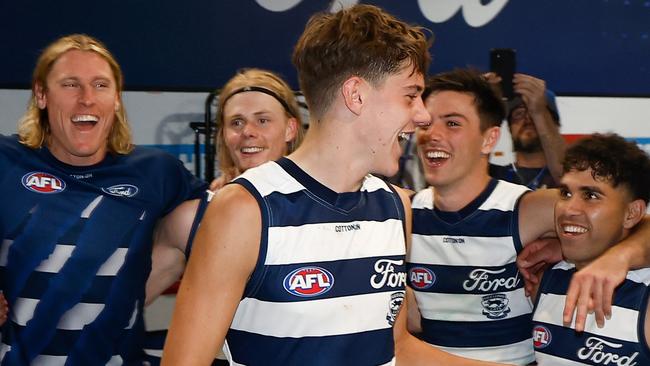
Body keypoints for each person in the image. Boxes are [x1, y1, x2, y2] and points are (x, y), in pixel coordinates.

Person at [163, 5, 504, 366]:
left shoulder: (392, 206)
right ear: (355, 95)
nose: (422, 115)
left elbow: (397, 349)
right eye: (410, 95)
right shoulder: (244, 210)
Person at [406, 68, 650, 365]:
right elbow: (413, 323)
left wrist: (619, 256)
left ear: (489, 139)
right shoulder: (401, 210)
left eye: (453, 123)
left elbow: (623, 219)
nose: (434, 135)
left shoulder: (526, 208)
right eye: (427, 124)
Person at [0, 34, 207, 364]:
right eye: (70, 85)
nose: (86, 99)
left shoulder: (155, 172)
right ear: (41, 94)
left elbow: (224, 224)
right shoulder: (6, 160)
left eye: (100, 85)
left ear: (115, 99)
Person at [142, 68, 304, 365]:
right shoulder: (193, 218)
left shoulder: (329, 207)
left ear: (291, 129)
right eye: (236, 122)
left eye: (263, 120)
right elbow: (121, 304)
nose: (248, 132)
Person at [531, 133, 650, 365]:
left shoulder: (645, 295)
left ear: (632, 213)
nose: (569, 209)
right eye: (565, 193)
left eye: (591, 195)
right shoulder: (542, 279)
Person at [488, 73, 565, 189]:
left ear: (556, 125)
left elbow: (565, 173)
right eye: (518, 114)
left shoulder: (574, 177)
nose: (527, 119)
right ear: (509, 128)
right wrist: (484, 106)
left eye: (534, 112)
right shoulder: (491, 176)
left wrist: (539, 112)